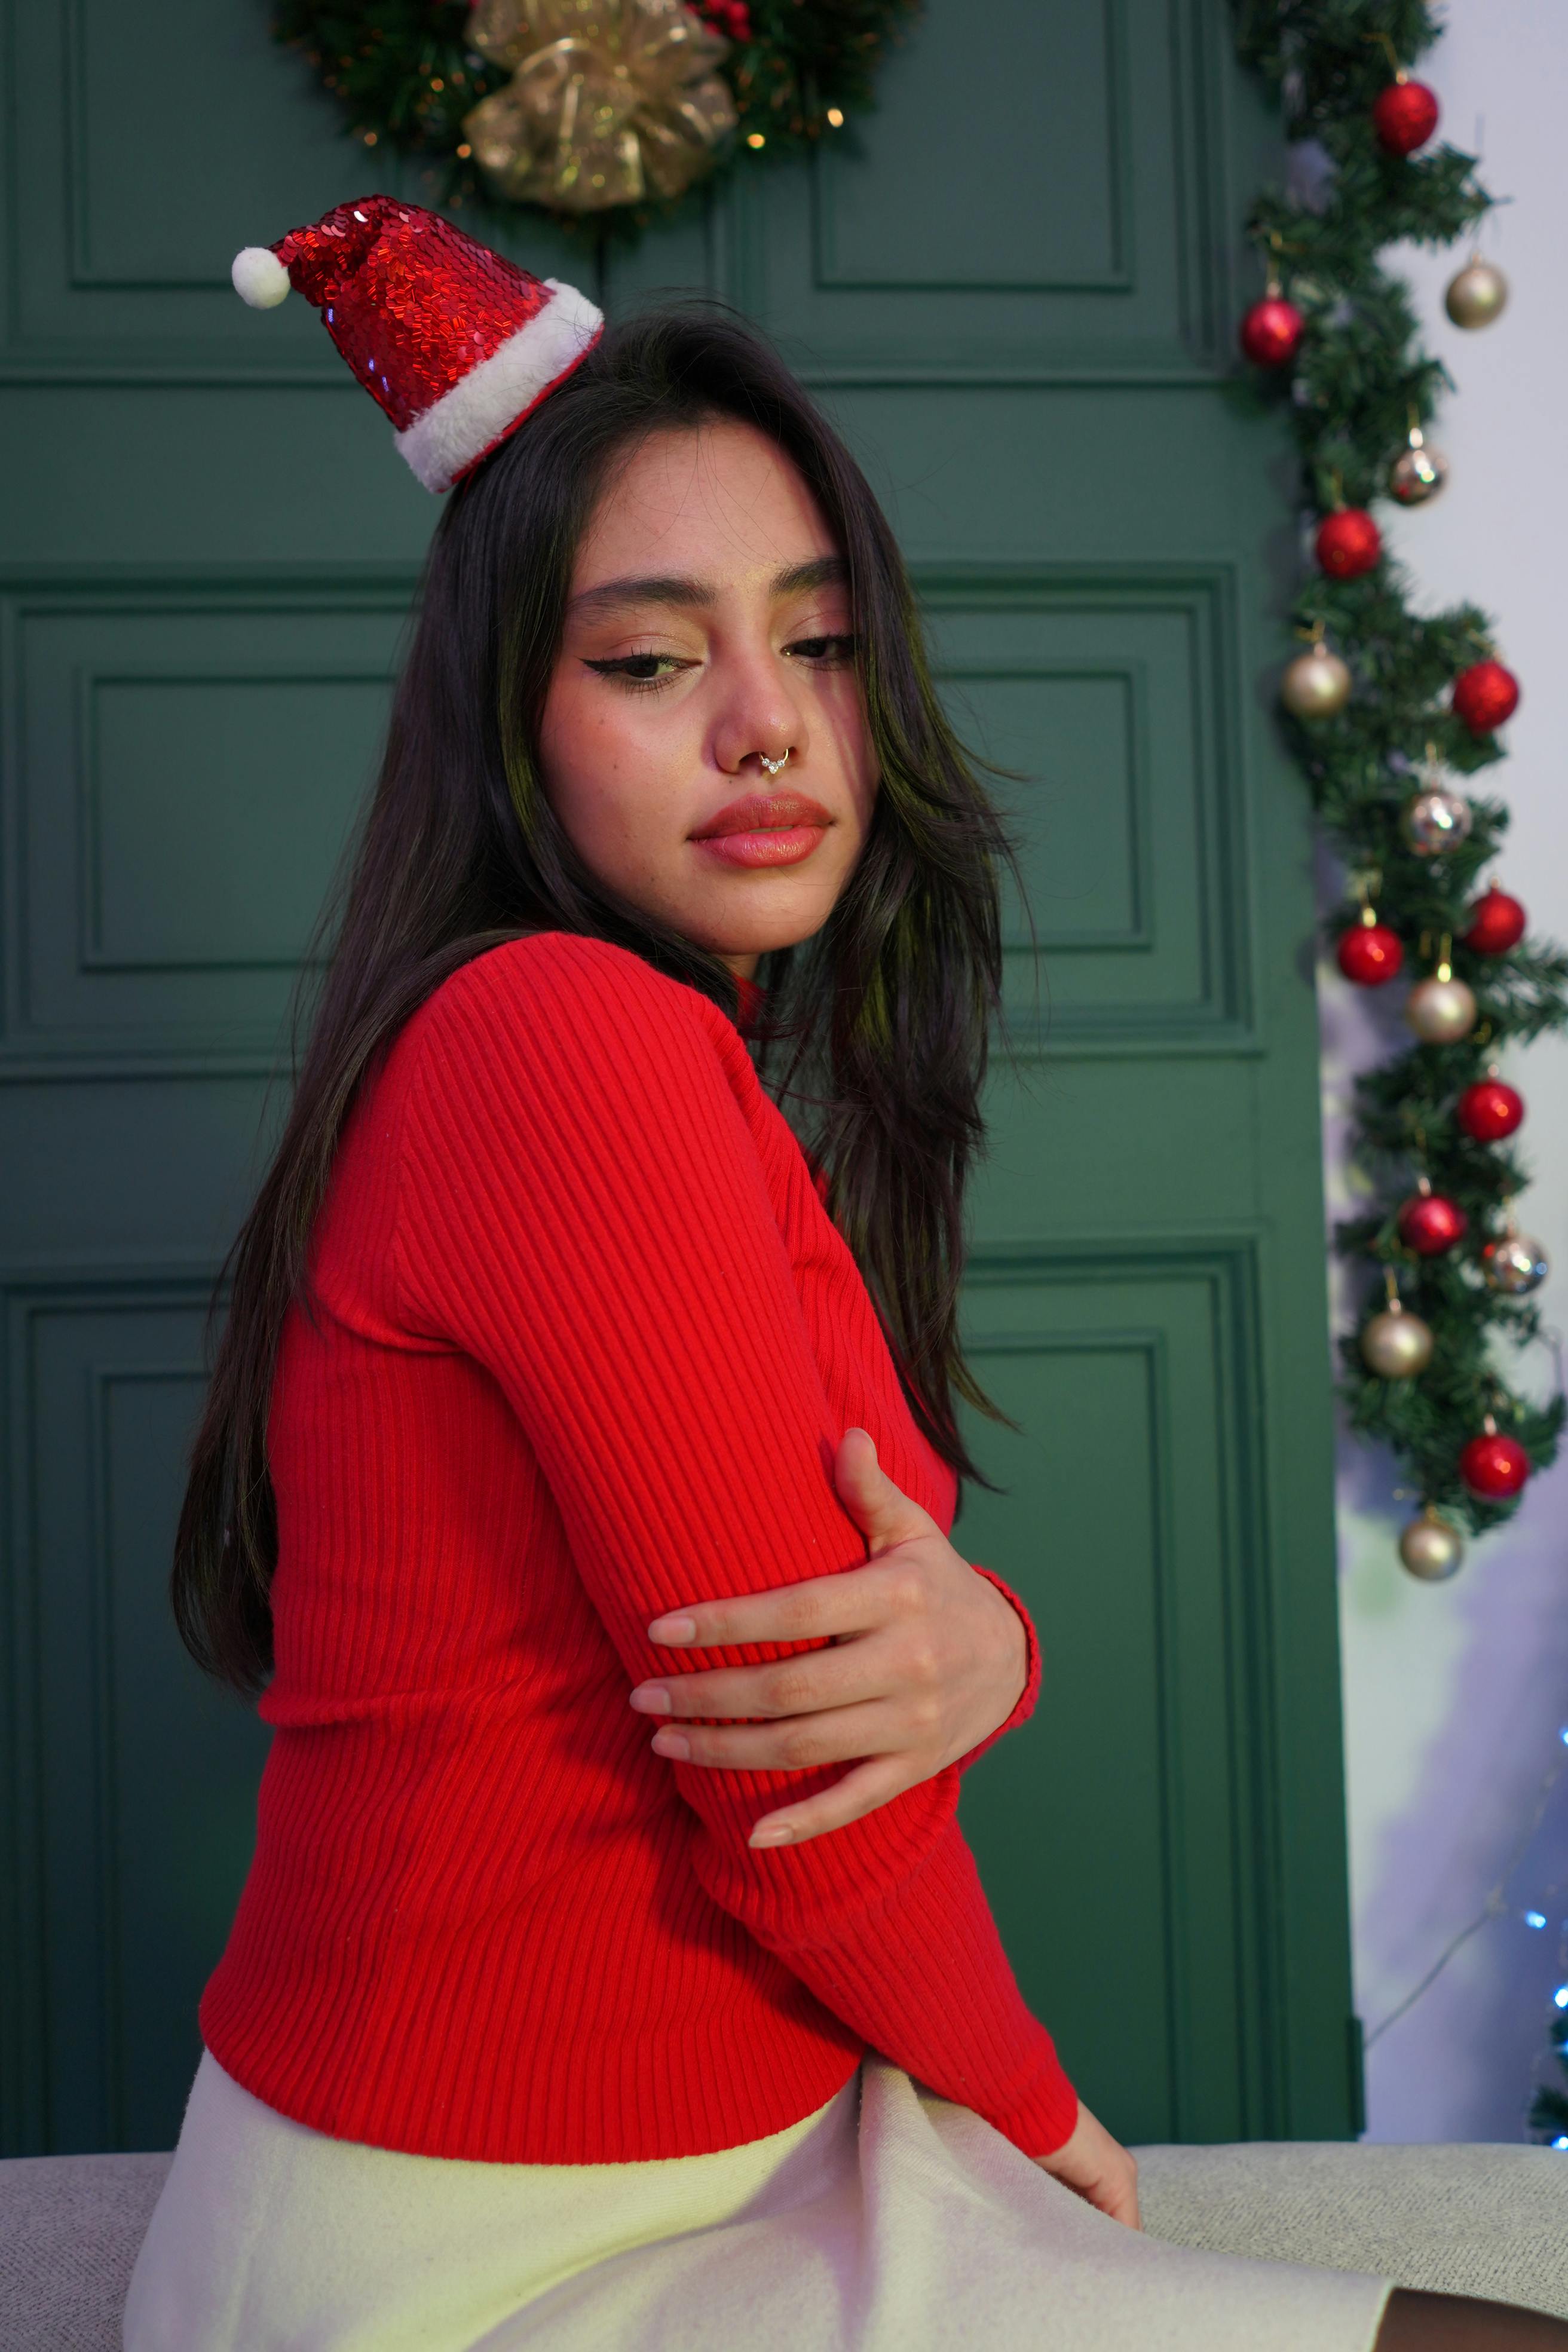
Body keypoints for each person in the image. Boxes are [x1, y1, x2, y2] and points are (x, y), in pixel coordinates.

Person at [122, 200, 1566, 2351]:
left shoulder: (651, 1055)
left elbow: (842, 1628)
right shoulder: (563, 1042)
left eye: (811, 643)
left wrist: (996, 1643)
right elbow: (790, 1771)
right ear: (509, 726)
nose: (767, 726)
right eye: (646, 657)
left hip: (739, 2145)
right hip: (481, 2254)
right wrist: (1042, 2113)